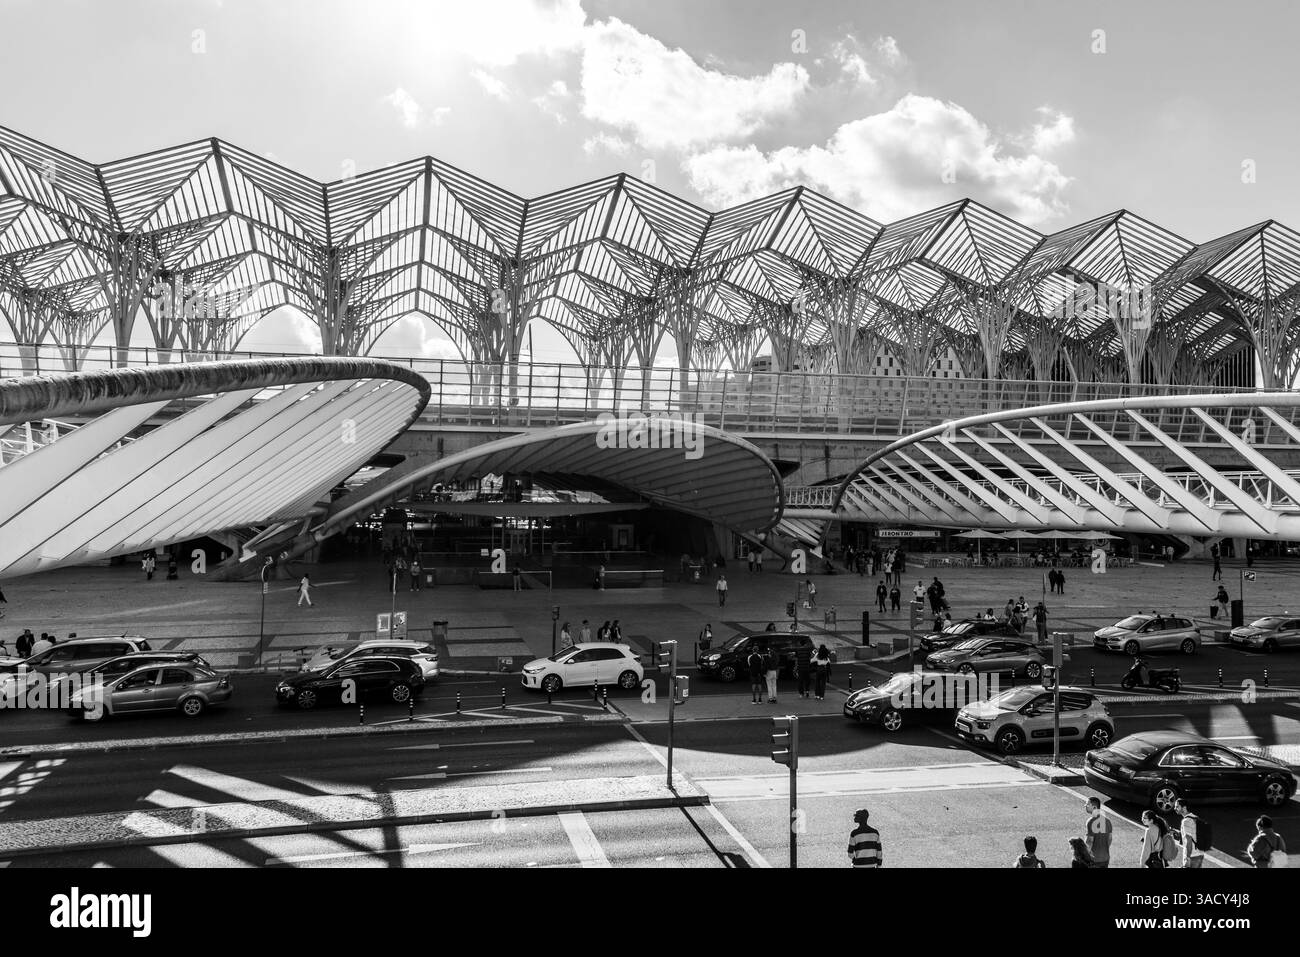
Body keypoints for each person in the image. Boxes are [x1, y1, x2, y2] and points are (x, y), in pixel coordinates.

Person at [1173, 798, 1206, 868]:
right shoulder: (1195, 817)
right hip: (1200, 854)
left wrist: (1187, 857)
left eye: (1177, 807)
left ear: (1184, 808)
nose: (1174, 808)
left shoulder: (1186, 821)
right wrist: (1179, 834)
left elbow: (1189, 840)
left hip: (1192, 856)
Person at [1085, 797, 1112, 868]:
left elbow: (1090, 841)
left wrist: (1085, 856)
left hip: (1094, 859)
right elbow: (1109, 839)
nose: (1085, 806)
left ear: (1094, 807)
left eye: (1088, 804)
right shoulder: (1107, 821)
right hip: (1105, 858)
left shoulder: (1091, 821)